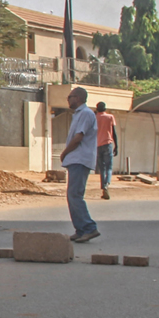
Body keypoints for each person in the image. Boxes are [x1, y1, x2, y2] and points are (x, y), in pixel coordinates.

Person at [60, 87, 100, 243]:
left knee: (75, 195)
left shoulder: (85, 113)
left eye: (70, 97)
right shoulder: (79, 114)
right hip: (76, 159)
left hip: (79, 158)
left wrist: (65, 152)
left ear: (78, 98)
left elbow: (78, 138)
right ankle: (81, 229)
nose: (68, 100)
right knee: (72, 195)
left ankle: (89, 227)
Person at [94, 102, 118, 200]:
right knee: (109, 167)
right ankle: (107, 184)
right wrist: (117, 146)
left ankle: (103, 186)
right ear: (105, 108)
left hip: (97, 145)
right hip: (108, 144)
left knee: (102, 168)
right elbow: (114, 133)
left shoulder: (94, 118)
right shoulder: (110, 117)